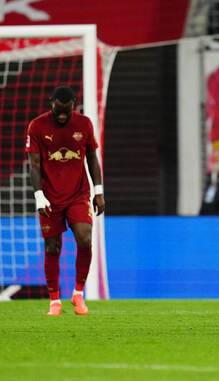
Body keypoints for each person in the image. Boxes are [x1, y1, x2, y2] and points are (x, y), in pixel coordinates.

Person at [25, 86, 105, 316]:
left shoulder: (84, 124)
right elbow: (35, 165)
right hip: (49, 197)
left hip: (78, 194)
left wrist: (98, 191)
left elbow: (92, 157)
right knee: (52, 246)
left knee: (85, 237)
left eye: (66, 111)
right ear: (51, 103)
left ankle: (78, 294)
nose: (62, 115)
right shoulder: (37, 126)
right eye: (58, 110)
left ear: (74, 105)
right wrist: (39, 196)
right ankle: (54, 301)